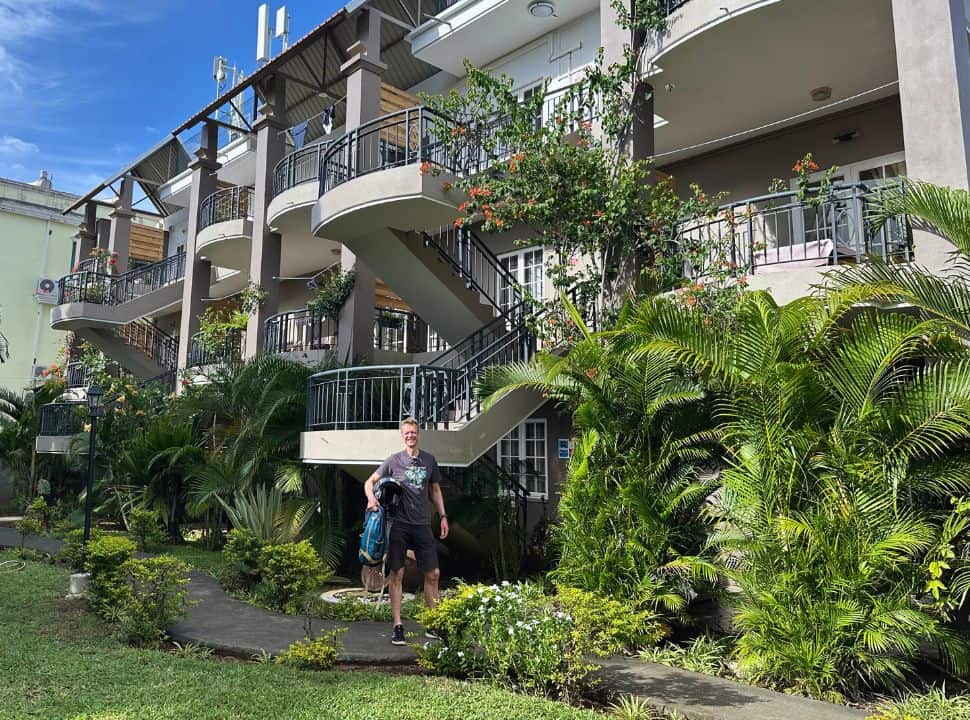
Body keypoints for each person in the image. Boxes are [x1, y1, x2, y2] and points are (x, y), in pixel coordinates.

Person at [365, 416, 449, 645]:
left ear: (418, 434)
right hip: (398, 524)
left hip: (422, 524)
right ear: (402, 436)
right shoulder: (393, 460)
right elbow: (369, 482)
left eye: (413, 432)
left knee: (433, 574)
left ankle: (433, 623)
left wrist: (442, 516)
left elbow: (436, 490)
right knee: (397, 574)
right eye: (406, 433)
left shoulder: (429, 461)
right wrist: (372, 499)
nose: (410, 436)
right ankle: (398, 626)